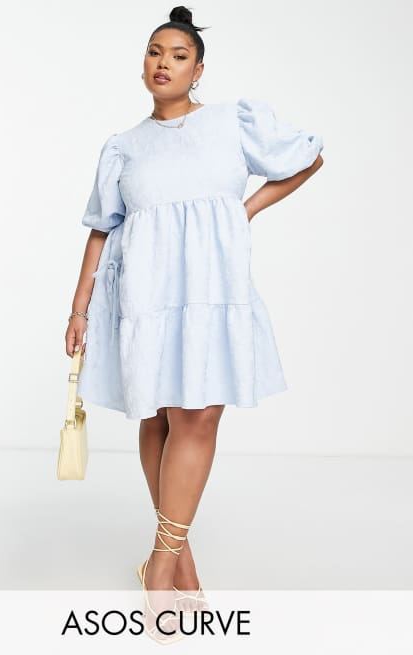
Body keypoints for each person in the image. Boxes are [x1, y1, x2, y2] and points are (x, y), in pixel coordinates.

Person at [65, 5, 324, 643]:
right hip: (144, 294)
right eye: (155, 52)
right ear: (143, 65)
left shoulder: (230, 122)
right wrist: (78, 307)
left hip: (211, 289)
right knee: (158, 416)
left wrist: (246, 210)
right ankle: (180, 561)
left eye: (178, 55)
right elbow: (102, 230)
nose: (164, 63)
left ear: (198, 69)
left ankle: (160, 565)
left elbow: (308, 157)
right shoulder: (123, 146)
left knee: (199, 415)